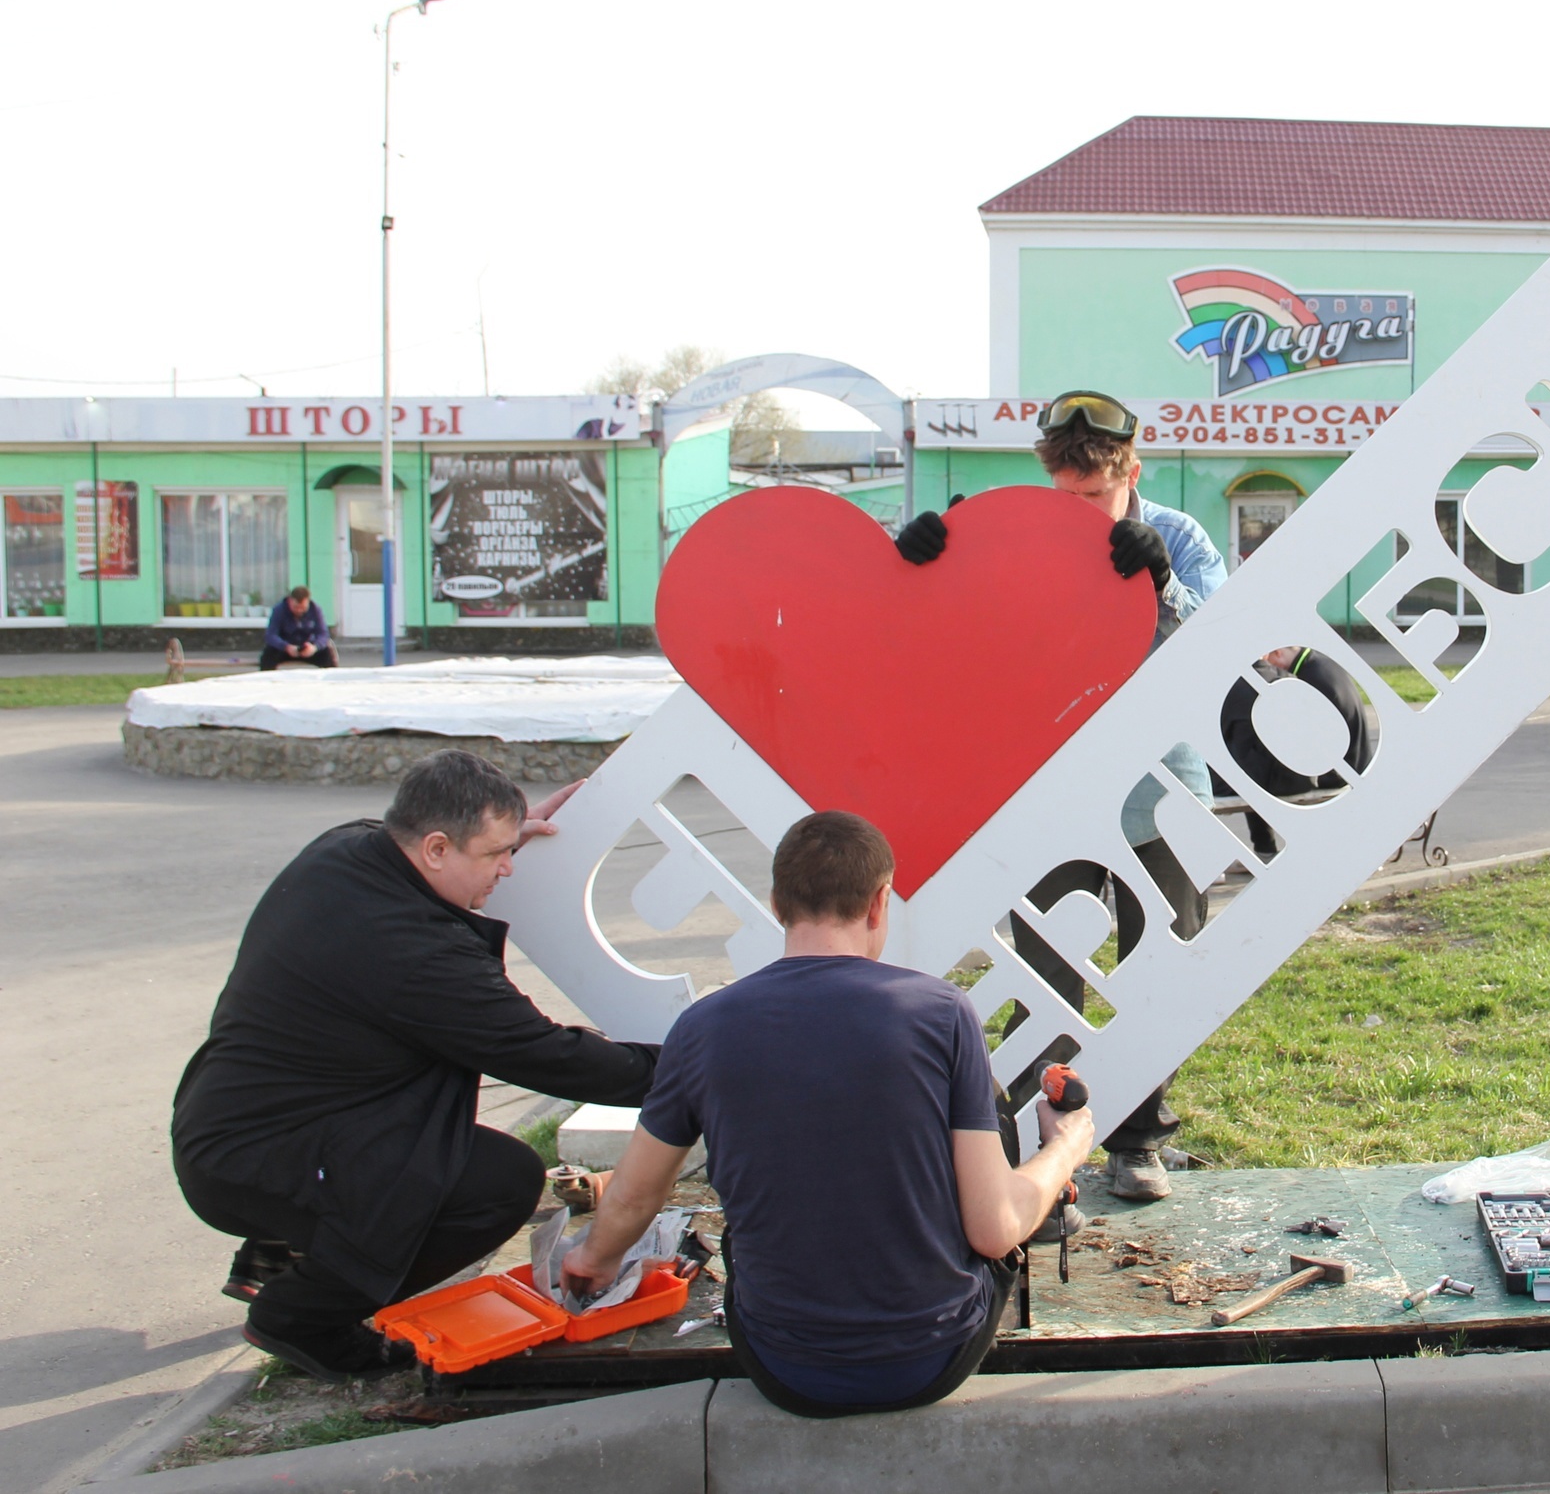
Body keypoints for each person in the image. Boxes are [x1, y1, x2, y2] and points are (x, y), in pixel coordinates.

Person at [565, 811, 1094, 1416]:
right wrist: (1066, 1145)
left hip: (783, 1365)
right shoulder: (941, 1012)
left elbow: (634, 1198)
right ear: (878, 902)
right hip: (933, 1357)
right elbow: (994, 1229)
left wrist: (592, 1259)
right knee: (983, 1111)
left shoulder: (702, 1029)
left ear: (776, 903)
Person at [171, 751, 662, 1376]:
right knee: (495, 1185)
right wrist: (700, 1067)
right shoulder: (413, 952)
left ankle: (283, 1247)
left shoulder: (349, 849)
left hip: (234, 1118)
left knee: (417, 1124)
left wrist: (505, 834)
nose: (508, 868)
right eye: (496, 854)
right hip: (251, 1157)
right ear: (435, 848)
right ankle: (303, 1314)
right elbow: (548, 1056)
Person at [893, 390, 1226, 1206]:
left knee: (1166, 968)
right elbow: (953, 645)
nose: (1077, 516)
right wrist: (923, 569)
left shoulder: (1181, 537)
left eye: (1097, 500)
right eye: (1065, 498)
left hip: (1163, 790)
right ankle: (1040, 1141)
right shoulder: (1019, 536)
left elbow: (1226, 645)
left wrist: (1162, 585)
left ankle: (1139, 1137)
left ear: (1134, 473)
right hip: (1053, 793)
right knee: (1049, 977)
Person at [1216, 644, 1375, 858]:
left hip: (1336, 771)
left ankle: (1263, 850)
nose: (1268, 663)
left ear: (1279, 652)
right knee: (1258, 759)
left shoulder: (1309, 680)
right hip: (1352, 761)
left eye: (1270, 657)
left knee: (1251, 769)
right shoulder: (1317, 666)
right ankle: (1265, 849)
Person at [260, 586, 336, 670]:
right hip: (285, 648)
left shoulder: (315, 610)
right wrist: (286, 646)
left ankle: (331, 679)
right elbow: (270, 635)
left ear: (308, 602)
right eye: (296, 607)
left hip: (307, 648)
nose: (299, 610)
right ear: (289, 601)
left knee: (327, 652)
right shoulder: (279, 610)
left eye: (303, 608)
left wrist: (314, 647)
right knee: (268, 654)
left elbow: (323, 634)